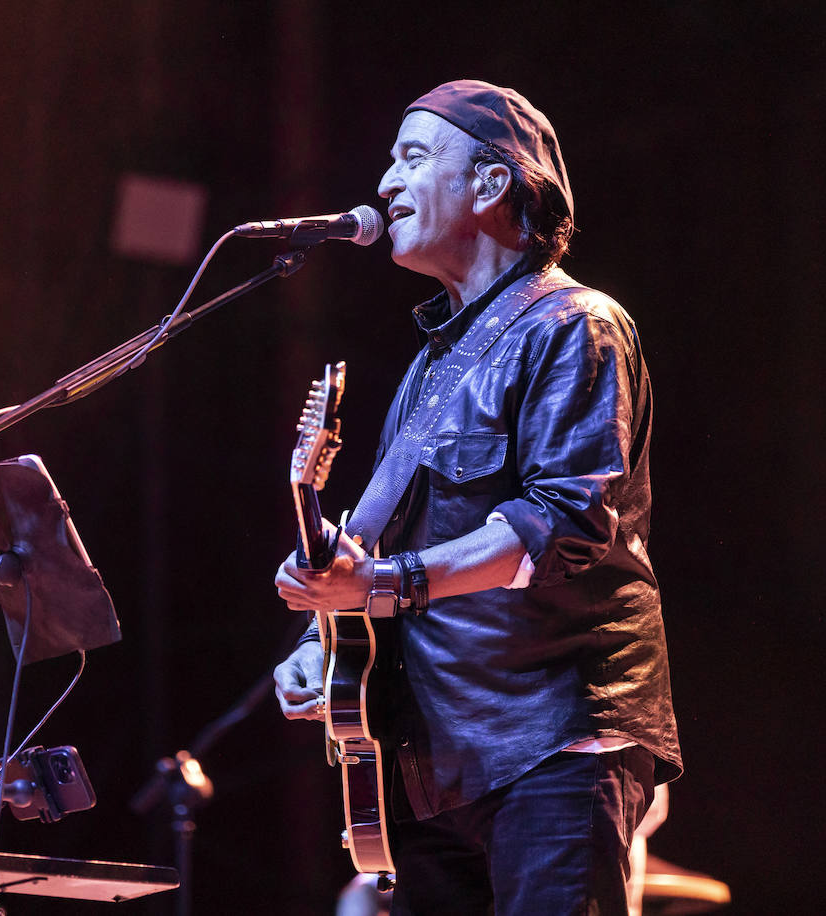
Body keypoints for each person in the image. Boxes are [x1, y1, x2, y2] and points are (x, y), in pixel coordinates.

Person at [273, 79, 682, 916]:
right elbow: (389, 554)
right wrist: (329, 631)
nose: (385, 183)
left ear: (493, 184)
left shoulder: (576, 326)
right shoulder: (429, 370)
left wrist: (387, 584)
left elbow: (563, 524)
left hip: (554, 743)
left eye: (413, 157)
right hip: (435, 764)